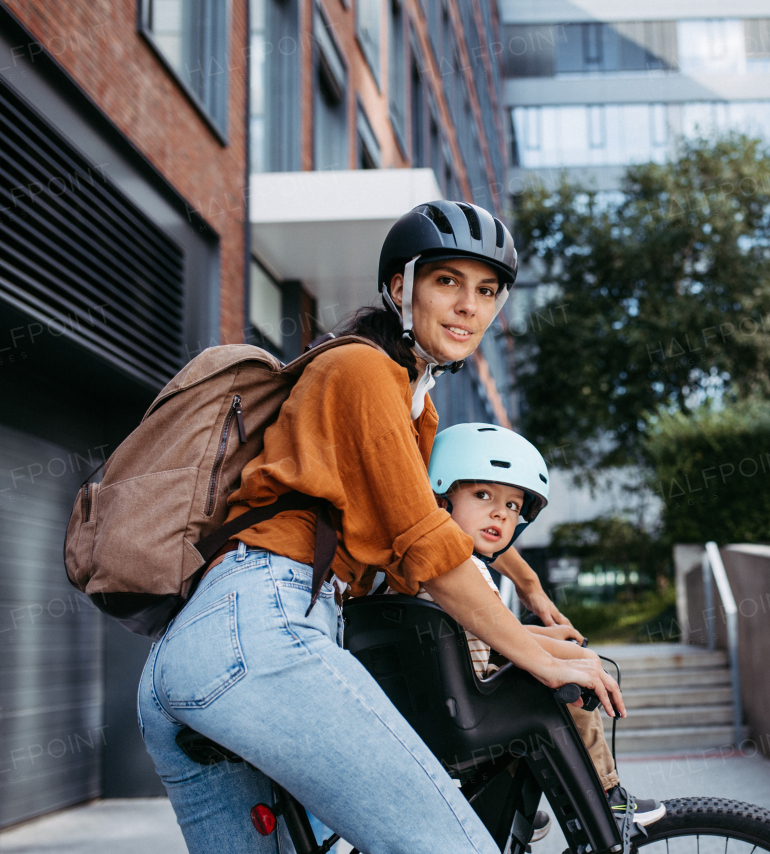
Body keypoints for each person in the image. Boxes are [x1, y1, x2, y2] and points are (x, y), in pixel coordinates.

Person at [136, 201, 623, 854]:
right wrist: (534, 651)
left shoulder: (413, 407)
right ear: (401, 287)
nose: (467, 306)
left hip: (198, 649)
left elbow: (404, 558)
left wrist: (539, 635)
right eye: (446, 281)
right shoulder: (361, 370)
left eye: (486, 292)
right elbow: (431, 548)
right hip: (259, 627)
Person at [420, 422, 667, 834]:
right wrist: (563, 655)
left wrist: (552, 636)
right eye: (483, 495)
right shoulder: (452, 570)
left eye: (514, 506)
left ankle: (508, 804)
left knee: (572, 657)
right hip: (468, 705)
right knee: (573, 685)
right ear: (441, 500)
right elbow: (484, 636)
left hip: (461, 694)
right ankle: (605, 795)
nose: (501, 512)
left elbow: (481, 633)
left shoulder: (464, 568)